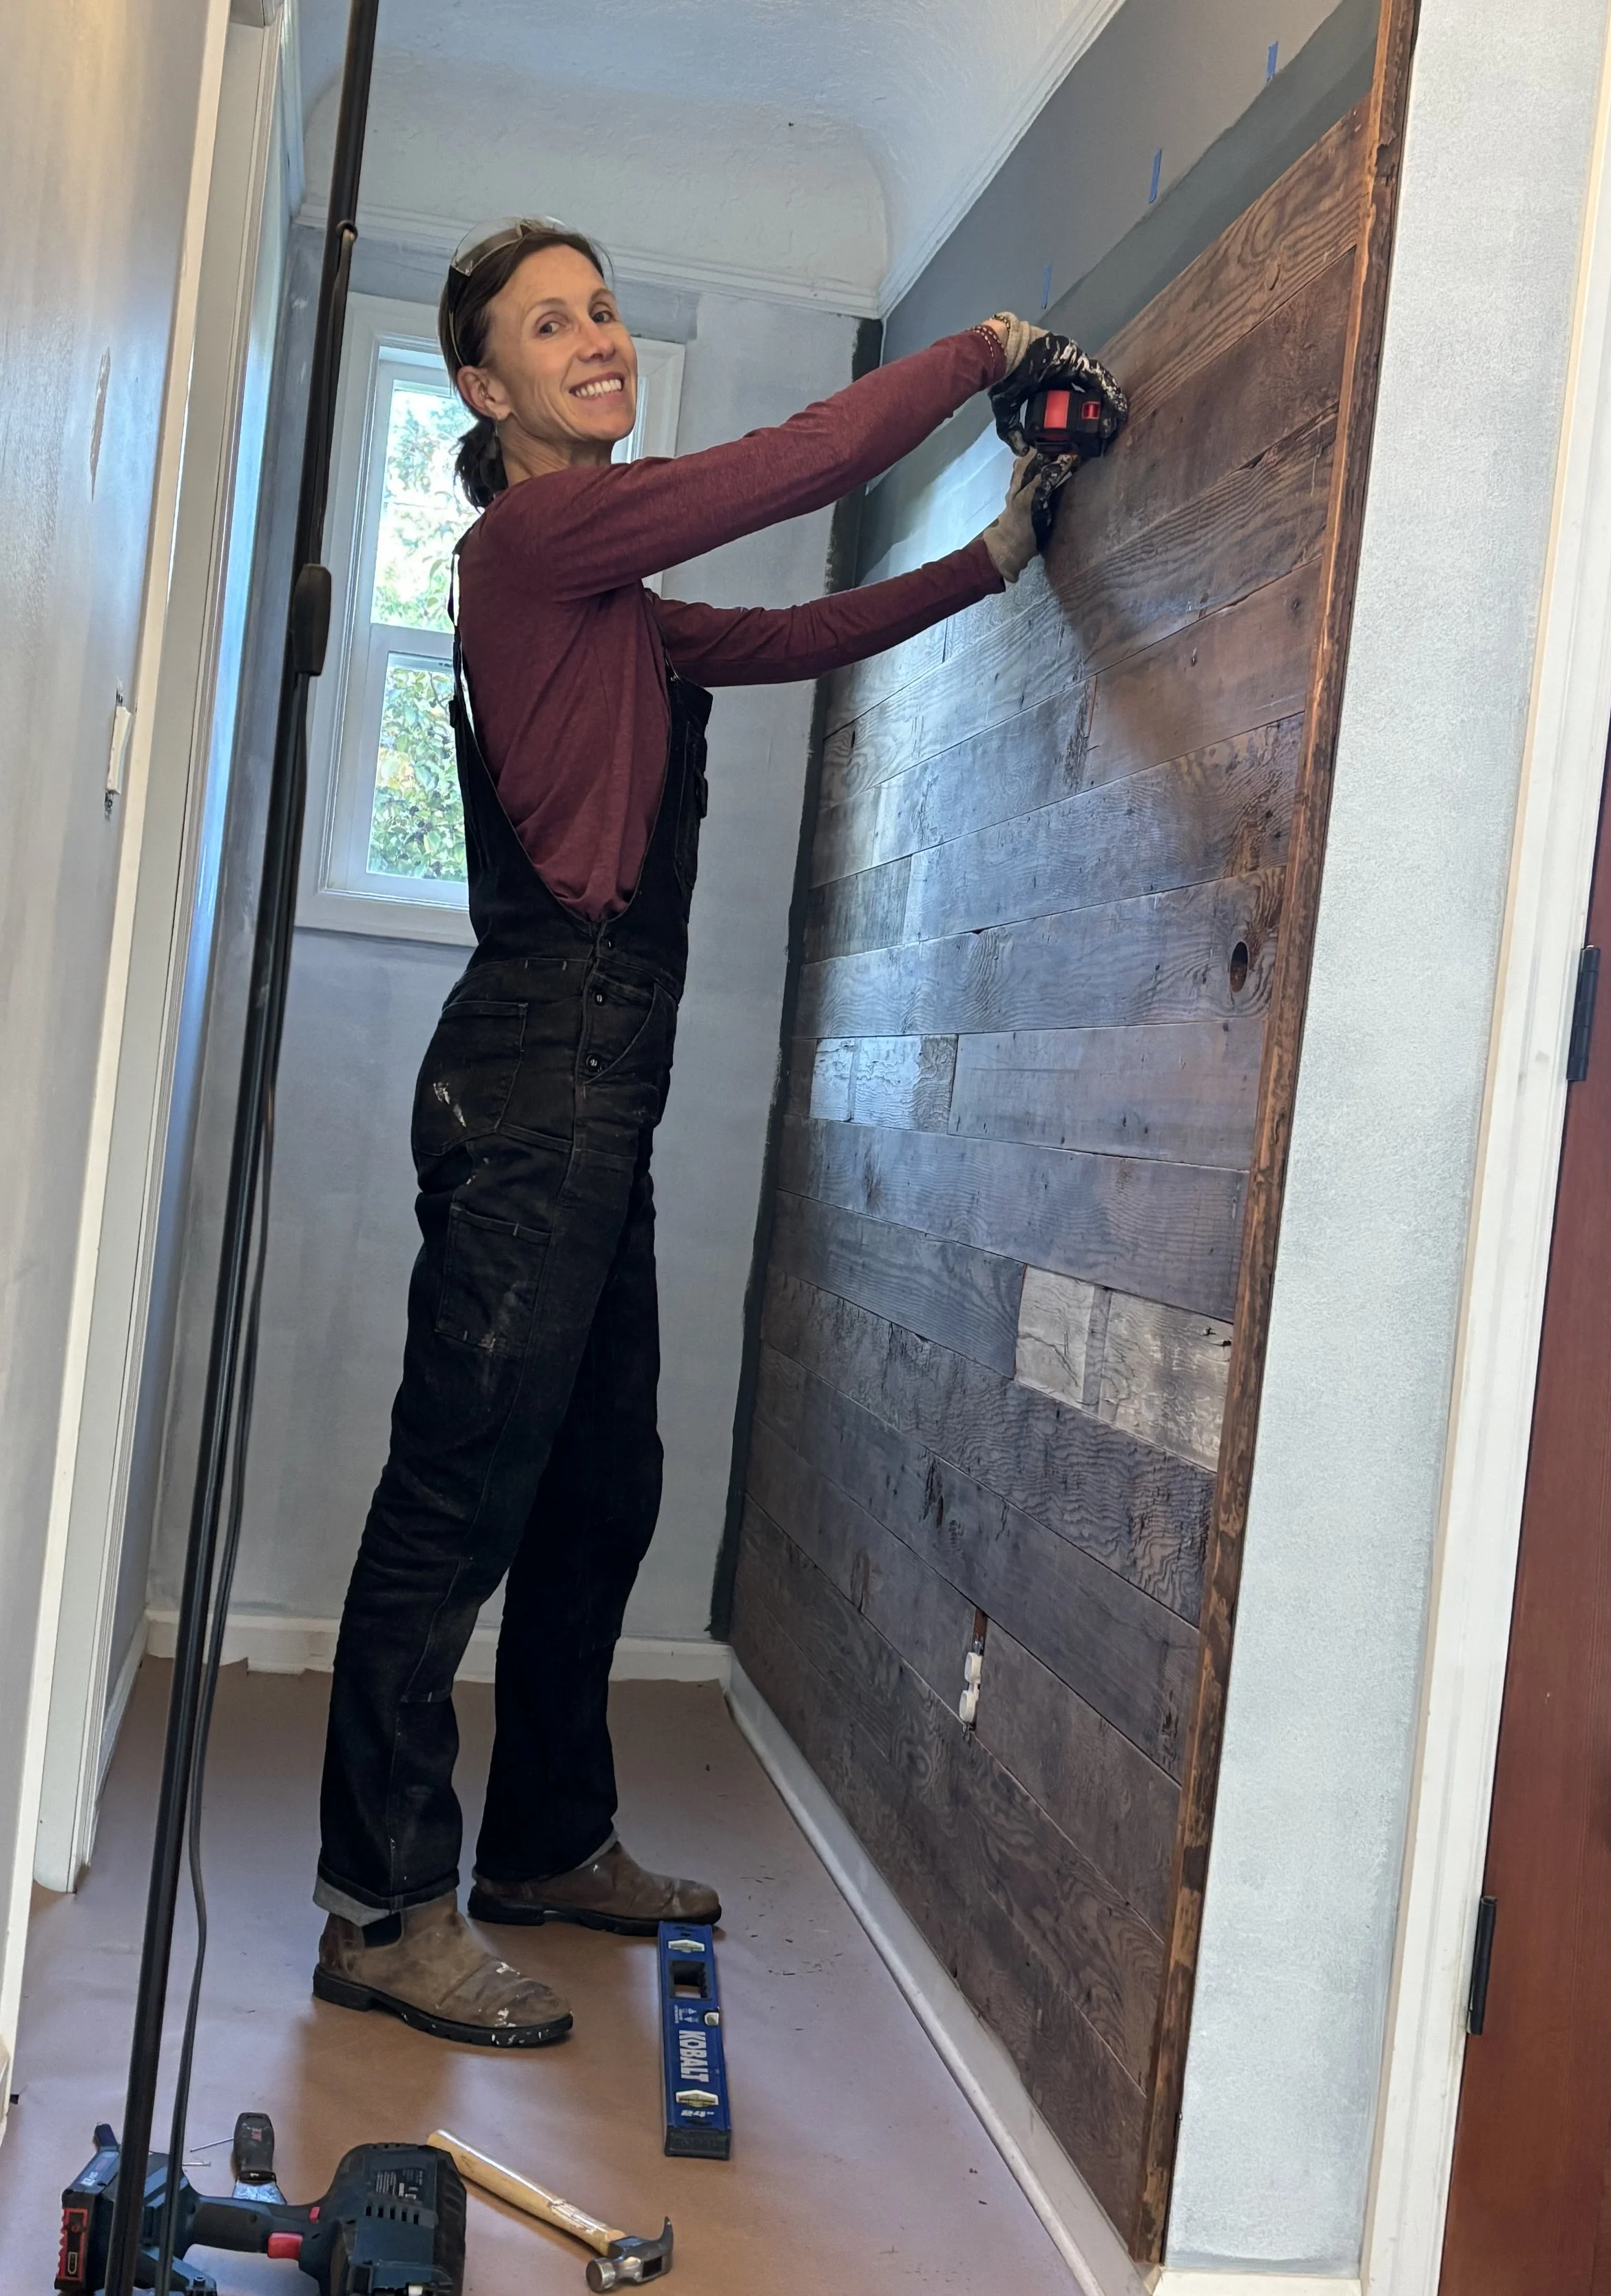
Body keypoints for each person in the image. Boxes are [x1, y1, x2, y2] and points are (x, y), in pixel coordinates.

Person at [309, 216, 1115, 2048]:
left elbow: (791, 628)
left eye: (602, 309)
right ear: (485, 389)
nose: (594, 337)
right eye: (551, 322)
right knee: (459, 1497)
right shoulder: (535, 537)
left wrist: (998, 553)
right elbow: (789, 470)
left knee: (601, 1482)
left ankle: (544, 1841)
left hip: (594, 1085)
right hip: (536, 1075)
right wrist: (987, 338)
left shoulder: (610, 596)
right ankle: (377, 1907)